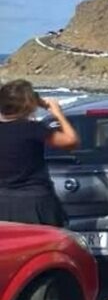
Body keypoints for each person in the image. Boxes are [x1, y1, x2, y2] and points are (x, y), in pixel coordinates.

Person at [0, 80, 80, 227]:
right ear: (29, 104)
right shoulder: (33, 129)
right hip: (35, 201)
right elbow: (71, 141)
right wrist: (57, 113)